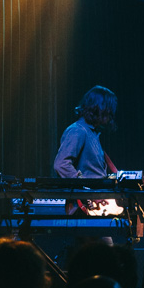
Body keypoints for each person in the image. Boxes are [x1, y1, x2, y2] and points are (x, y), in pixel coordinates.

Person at [53, 86, 118, 216]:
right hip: (83, 206)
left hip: (95, 205)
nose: (111, 114)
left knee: (105, 237)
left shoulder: (92, 133)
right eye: (108, 109)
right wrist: (87, 193)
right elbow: (61, 164)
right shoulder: (78, 130)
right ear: (98, 107)